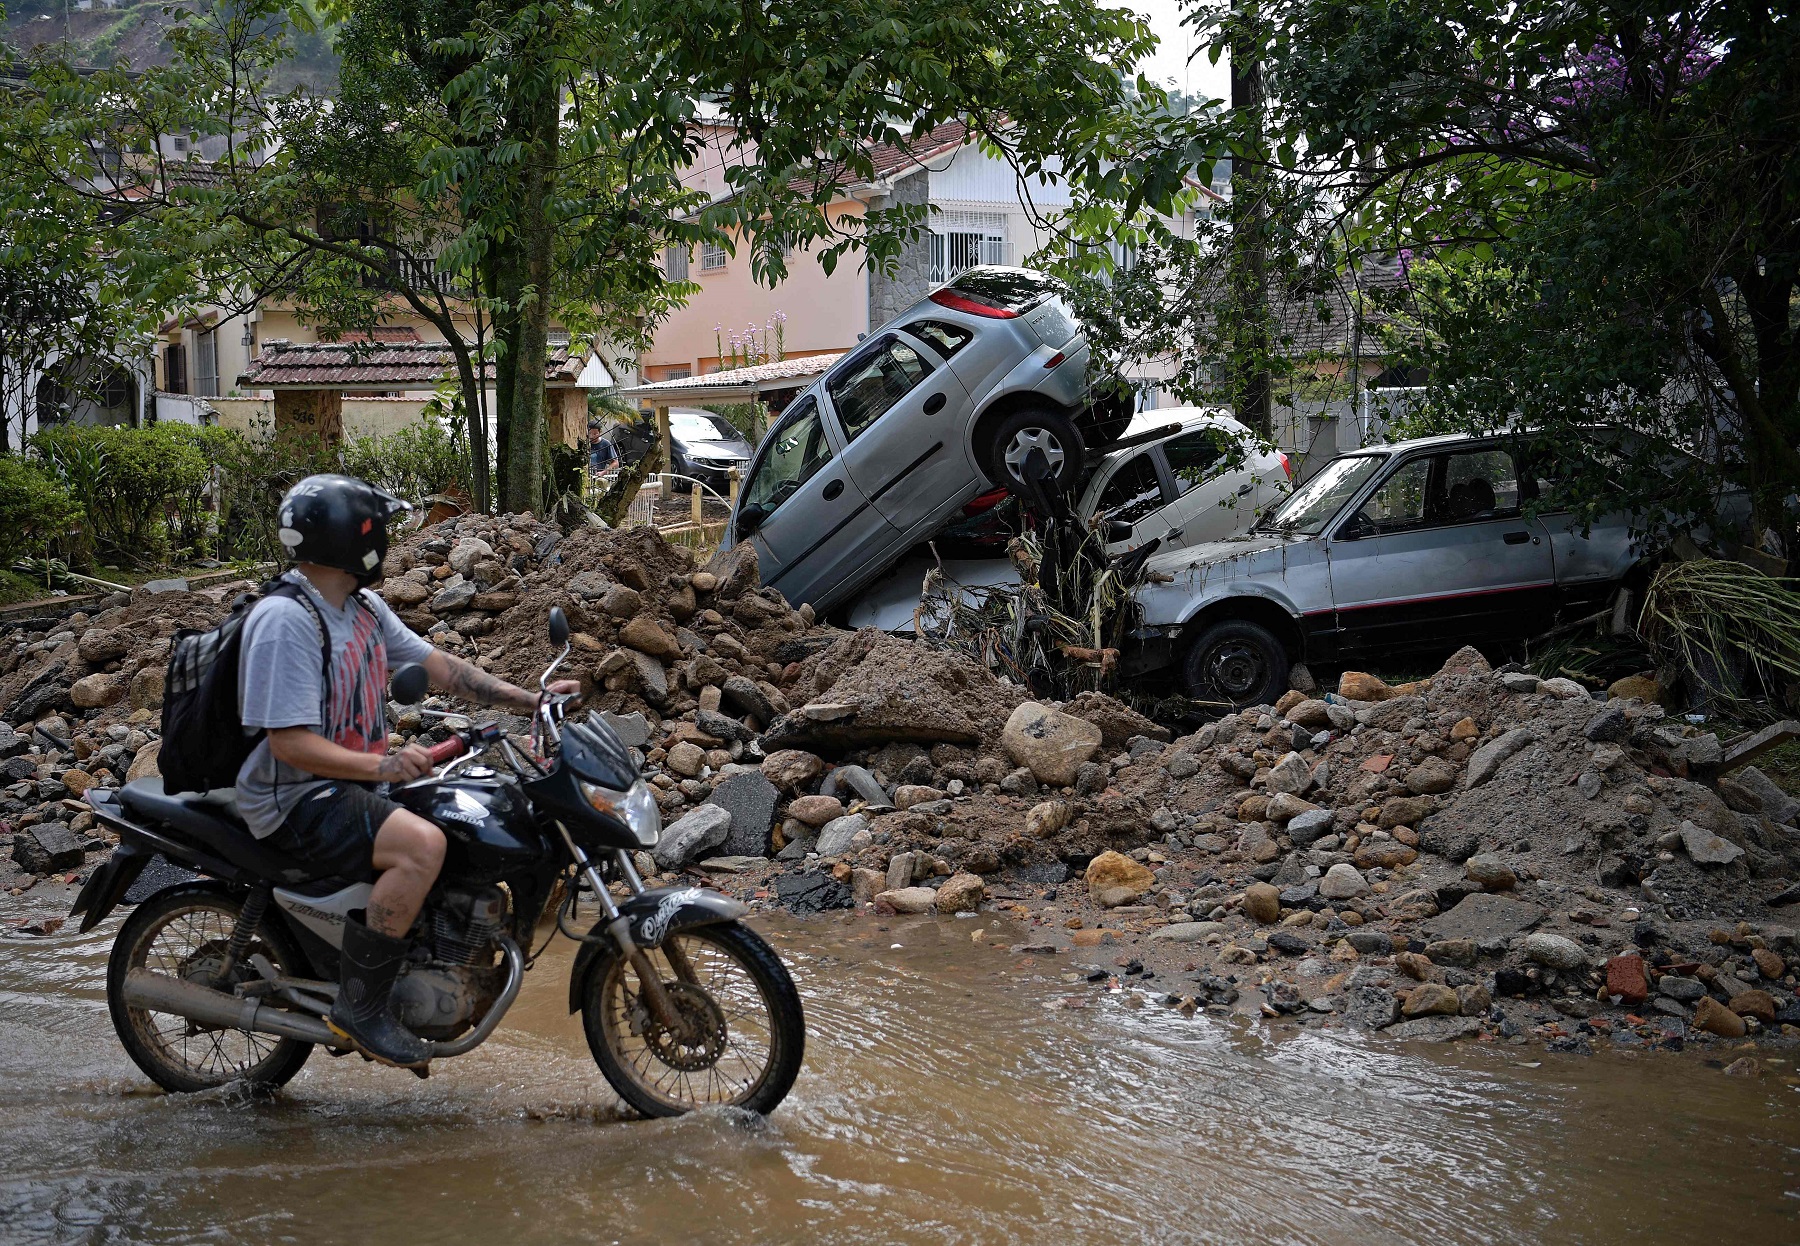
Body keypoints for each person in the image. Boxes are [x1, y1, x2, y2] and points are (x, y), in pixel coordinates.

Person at [236, 474, 578, 1068]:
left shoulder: (362, 608)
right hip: (294, 797)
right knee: (423, 845)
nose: (386, 540)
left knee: (468, 813)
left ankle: (435, 961)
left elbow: (439, 667)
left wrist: (531, 700)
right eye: (378, 529)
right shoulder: (285, 620)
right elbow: (288, 744)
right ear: (348, 538)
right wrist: (384, 764)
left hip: (349, 784)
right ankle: (362, 1008)